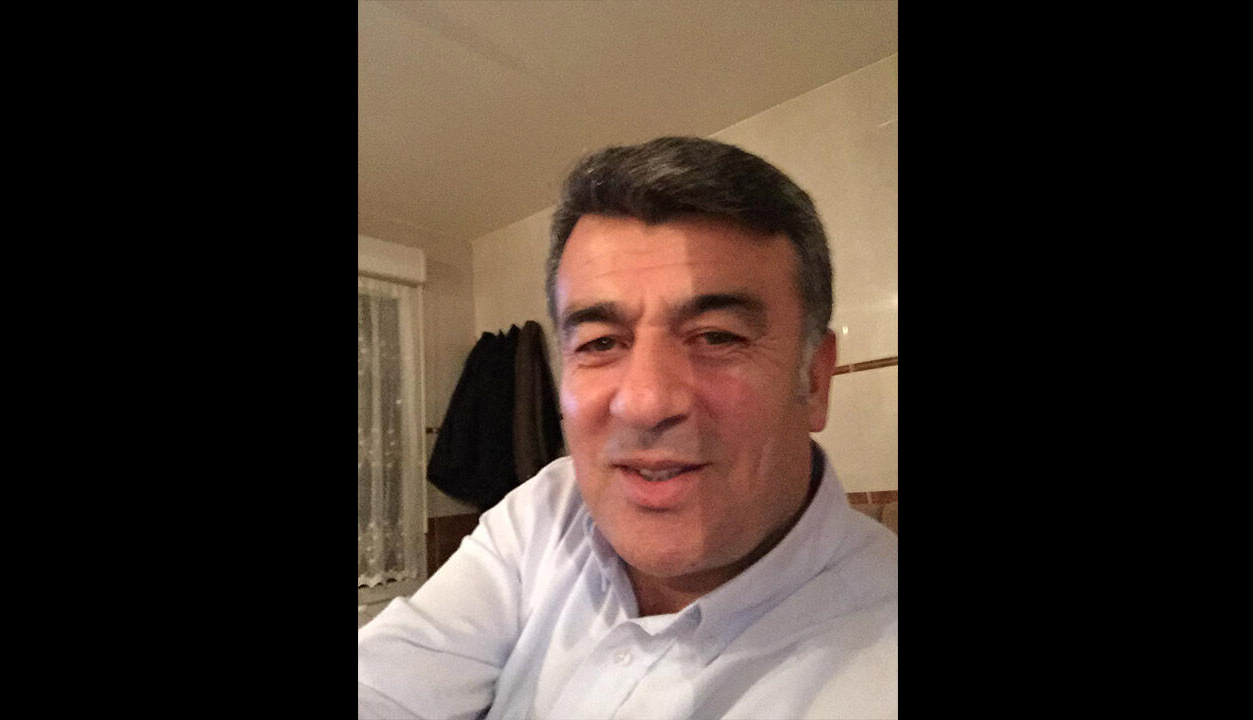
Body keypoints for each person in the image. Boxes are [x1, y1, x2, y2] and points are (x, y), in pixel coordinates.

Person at [358, 136, 897, 719]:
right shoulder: (548, 509)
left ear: (814, 380)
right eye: (600, 343)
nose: (644, 404)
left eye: (717, 336)